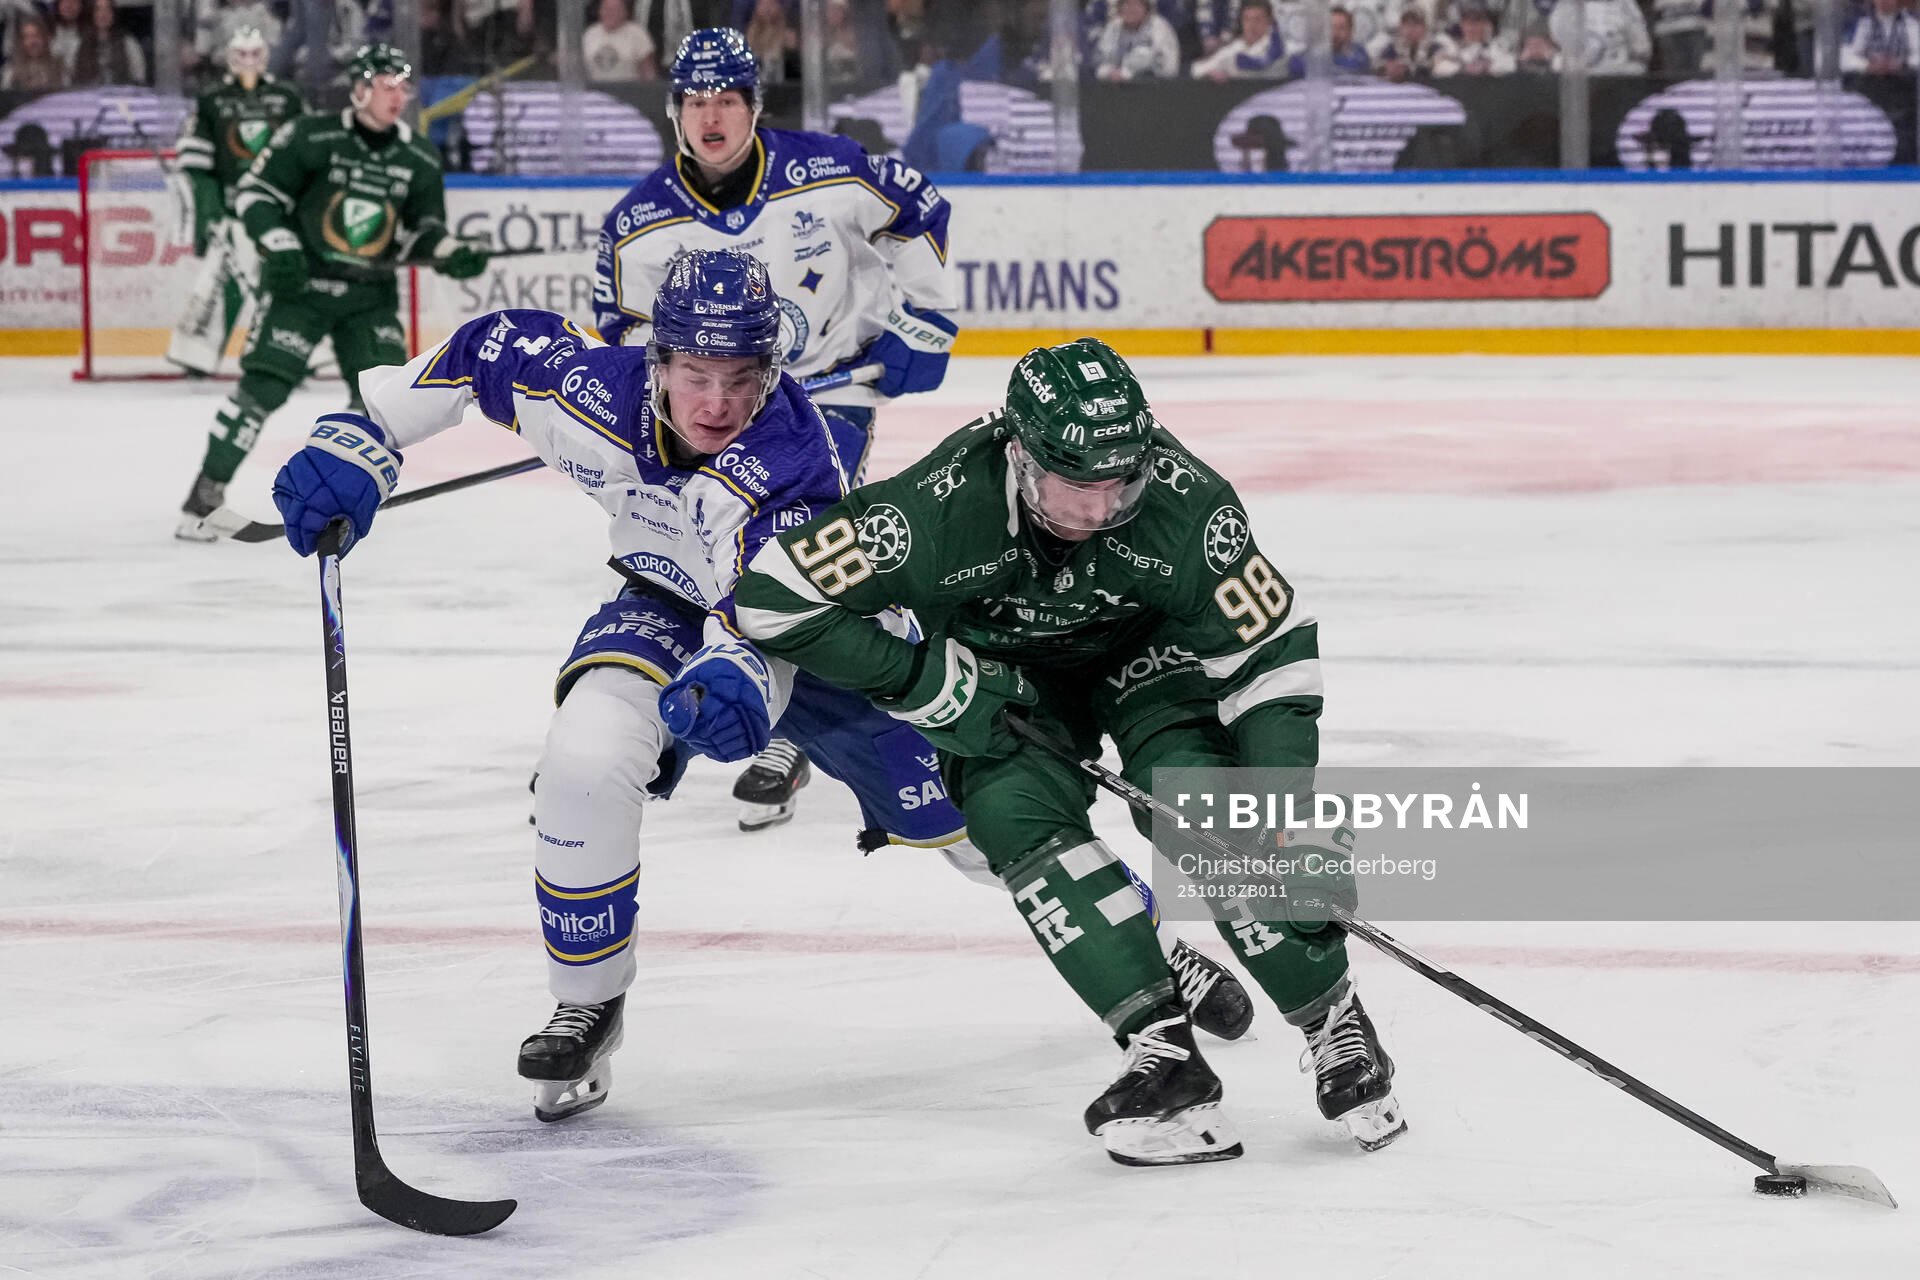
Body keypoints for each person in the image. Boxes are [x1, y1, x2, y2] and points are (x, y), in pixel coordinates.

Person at [265, 251, 975, 1123]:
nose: (717, 404)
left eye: (740, 379)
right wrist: (364, 432)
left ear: (769, 373)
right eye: (696, 375)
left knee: (980, 826)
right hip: (665, 601)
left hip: (812, 631)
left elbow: (773, 612)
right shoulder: (584, 388)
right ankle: (588, 1001)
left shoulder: (794, 461)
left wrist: (739, 671)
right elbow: (480, 349)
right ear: (657, 360)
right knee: (584, 761)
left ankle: (1135, 956)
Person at [726, 338, 1408, 1166]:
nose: (1103, 507)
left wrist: (1284, 816)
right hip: (1007, 681)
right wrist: (920, 678)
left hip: (1150, 659)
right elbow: (773, 596)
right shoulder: (935, 508)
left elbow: (1272, 654)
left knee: (1210, 811)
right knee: (1011, 814)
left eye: (1123, 482)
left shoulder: (1189, 503)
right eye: (1078, 485)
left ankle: (1336, 1024)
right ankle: (1165, 1054)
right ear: (1019, 456)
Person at [594, 27, 957, 835]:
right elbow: (621, 338)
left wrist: (926, 321)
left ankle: (785, 724)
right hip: (710, 418)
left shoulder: (827, 169)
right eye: (695, 101)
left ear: (754, 105)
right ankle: (652, 710)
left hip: (825, 400)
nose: (711, 117)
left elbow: (919, 207)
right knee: (689, 550)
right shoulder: (638, 224)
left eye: (727, 99)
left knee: (795, 548)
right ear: (673, 110)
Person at [173, 42, 489, 541]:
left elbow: (422, 231)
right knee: (262, 390)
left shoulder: (419, 156)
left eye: (403, 88)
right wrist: (279, 244)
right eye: (386, 86)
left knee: (384, 403)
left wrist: (450, 250)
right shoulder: (310, 135)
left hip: (369, 298)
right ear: (360, 90)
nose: (398, 96)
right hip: (303, 288)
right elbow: (257, 194)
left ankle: (340, 498)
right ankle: (203, 498)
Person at [166, 26, 305, 378]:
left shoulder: (287, 97)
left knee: (289, 281)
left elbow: (306, 155)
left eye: (255, 54)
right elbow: (197, 163)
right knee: (220, 282)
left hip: (279, 213)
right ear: (229, 58)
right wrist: (209, 208)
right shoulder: (212, 99)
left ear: (266, 57)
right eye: (241, 55)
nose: (248, 62)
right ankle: (196, 354)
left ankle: (295, 354)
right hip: (234, 211)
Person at [1191, 0, 1287, 78]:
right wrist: (1210, 74)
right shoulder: (1234, 48)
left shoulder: (1281, 46)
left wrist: (1236, 65)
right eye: (1247, 19)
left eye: (1257, 19)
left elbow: (1264, 64)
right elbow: (1197, 70)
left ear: (1269, 22)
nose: (1252, 25)